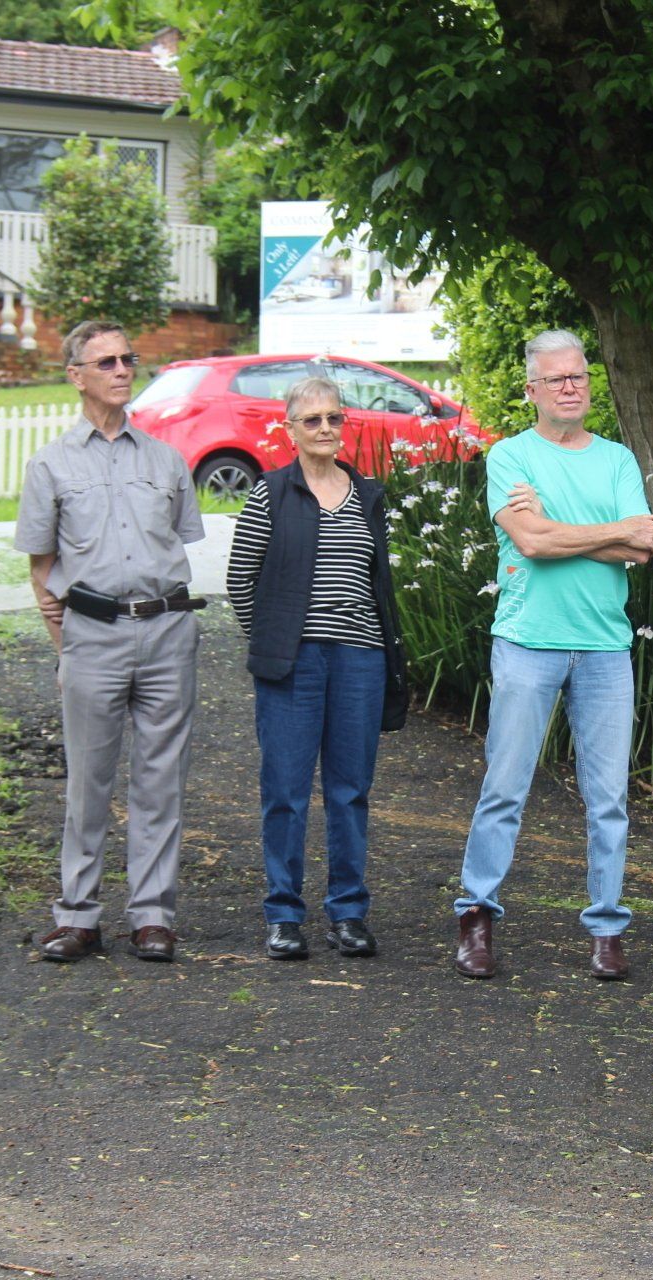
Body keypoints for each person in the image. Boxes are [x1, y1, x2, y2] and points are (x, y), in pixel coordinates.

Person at [453, 329, 653, 981]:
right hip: (527, 643)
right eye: (558, 379)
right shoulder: (508, 457)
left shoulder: (618, 460)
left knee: (608, 798)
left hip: (604, 647)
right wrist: (609, 533)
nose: (572, 388)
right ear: (532, 390)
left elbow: (643, 548)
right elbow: (532, 544)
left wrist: (556, 527)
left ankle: (606, 929)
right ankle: (476, 914)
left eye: (579, 377)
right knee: (505, 788)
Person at [16, 321, 205, 964]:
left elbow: (182, 538)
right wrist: (65, 643)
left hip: (167, 629)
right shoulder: (50, 464)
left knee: (161, 780)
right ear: (77, 375)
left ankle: (152, 916)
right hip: (91, 633)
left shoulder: (166, 460)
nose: (124, 369)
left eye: (129, 359)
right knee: (87, 781)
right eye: (107, 361)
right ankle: (78, 915)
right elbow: (42, 565)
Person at [226, 377, 407, 962]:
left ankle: (349, 913)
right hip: (293, 665)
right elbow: (239, 580)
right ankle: (283, 915)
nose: (325, 428)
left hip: (361, 660)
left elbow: (376, 583)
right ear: (291, 429)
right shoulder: (271, 493)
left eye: (334, 418)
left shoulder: (368, 495)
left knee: (351, 790)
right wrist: (277, 641)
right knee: (285, 791)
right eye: (312, 420)